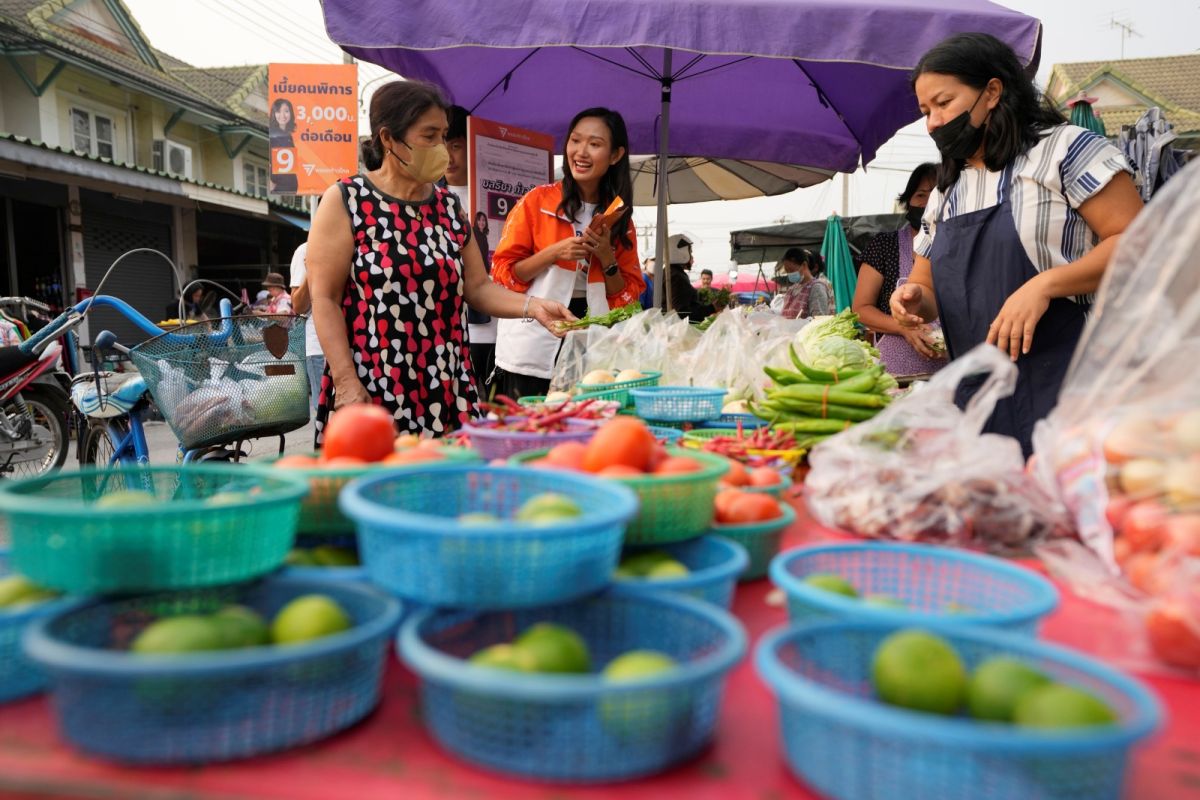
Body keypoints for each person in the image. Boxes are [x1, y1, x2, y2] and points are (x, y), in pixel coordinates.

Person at [891, 32, 1143, 456]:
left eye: (943, 103)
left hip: (1070, 390)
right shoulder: (946, 190)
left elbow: (1139, 242)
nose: (933, 121)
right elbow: (928, 287)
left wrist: (1045, 285)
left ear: (992, 92)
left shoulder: (1066, 151)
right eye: (924, 111)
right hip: (980, 400)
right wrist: (912, 300)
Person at [305, 80, 573, 440]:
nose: (442, 149)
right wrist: (346, 381)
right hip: (373, 384)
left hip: (447, 385)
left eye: (444, 136)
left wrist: (533, 306)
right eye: (429, 136)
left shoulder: (448, 206)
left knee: (451, 490)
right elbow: (325, 299)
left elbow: (477, 288)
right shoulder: (347, 201)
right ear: (388, 139)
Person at [491, 107, 644, 398]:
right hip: (533, 341)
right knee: (530, 432)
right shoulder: (537, 202)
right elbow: (504, 275)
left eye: (595, 144)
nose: (581, 152)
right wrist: (553, 252)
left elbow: (628, 300)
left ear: (615, 156)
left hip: (592, 344)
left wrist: (607, 259)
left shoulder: (620, 219)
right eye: (575, 140)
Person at [853, 163, 946, 378]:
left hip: (951, 374)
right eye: (920, 195)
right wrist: (903, 327)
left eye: (935, 193)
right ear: (907, 201)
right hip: (896, 376)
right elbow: (861, 308)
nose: (927, 202)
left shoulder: (960, 245)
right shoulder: (885, 245)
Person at [442, 105, 497, 390]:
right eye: (441, 145)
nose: (448, 156)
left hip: (497, 330)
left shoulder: (493, 192)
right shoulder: (427, 198)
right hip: (445, 333)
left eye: (456, 146)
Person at [287, 242, 326, 414]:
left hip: (351, 342)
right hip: (319, 346)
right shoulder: (305, 250)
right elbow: (298, 305)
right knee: (327, 413)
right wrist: (312, 271)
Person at [660, 234, 713, 322]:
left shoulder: (671, 272)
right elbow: (682, 313)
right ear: (680, 253)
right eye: (690, 252)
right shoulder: (676, 276)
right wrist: (712, 308)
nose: (691, 256)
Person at [779, 248, 832, 319]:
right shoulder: (792, 289)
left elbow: (819, 319)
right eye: (787, 271)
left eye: (791, 270)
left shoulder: (816, 287)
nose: (789, 274)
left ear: (804, 265)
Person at [268, 98, 298, 194]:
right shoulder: (272, 135)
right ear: (274, 113)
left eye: (286, 111)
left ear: (291, 113)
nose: (282, 115)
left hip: (291, 187)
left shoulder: (288, 136)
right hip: (279, 187)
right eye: (278, 111)